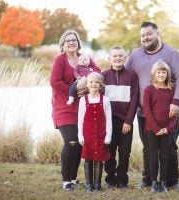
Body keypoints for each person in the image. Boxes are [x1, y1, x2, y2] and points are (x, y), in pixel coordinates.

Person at [125, 22, 179, 192]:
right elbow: (124, 75)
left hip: (168, 111)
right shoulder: (135, 55)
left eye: (148, 34)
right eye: (142, 35)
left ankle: (171, 181)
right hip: (143, 112)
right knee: (148, 147)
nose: (145, 38)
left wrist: (176, 102)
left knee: (170, 146)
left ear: (157, 33)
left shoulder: (172, 54)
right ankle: (148, 179)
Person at [50, 29, 99, 191]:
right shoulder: (60, 60)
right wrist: (74, 91)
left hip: (83, 107)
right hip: (64, 106)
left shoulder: (84, 58)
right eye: (68, 40)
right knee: (70, 141)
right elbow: (55, 82)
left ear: (78, 43)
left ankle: (72, 177)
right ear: (63, 44)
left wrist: (89, 82)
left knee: (79, 143)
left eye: (74, 40)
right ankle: (65, 179)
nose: (71, 42)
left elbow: (98, 72)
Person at [102, 46, 139, 188]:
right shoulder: (104, 76)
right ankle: (110, 179)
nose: (117, 58)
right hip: (109, 122)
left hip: (125, 122)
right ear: (109, 58)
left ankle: (122, 179)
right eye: (114, 56)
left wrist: (128, 120)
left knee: (124, 153)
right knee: (109, 152)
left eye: (120, 56)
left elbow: (134, 100)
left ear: (125, 58)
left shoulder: (131, 75)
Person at [143, 60, 176, 193]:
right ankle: (153, 182)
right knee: (153, 156)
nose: (161, 75)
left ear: (167, 74)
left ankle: (163, 182)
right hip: (152, 129)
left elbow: (174, 113)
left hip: (167, 129)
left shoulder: (171, 90)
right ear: (154, 74)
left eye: (163, 72)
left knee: (164, 156)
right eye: (159, 72)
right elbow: (147, 110)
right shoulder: (149, 89)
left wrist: (167, 128)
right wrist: (156, 128)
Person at [78, 72, 112, 192]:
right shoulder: (83, 100)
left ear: (101, 85)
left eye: (96, 82)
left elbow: (109, 119)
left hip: (101, 135)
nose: (93, 84)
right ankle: (89, 184)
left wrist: (108, 136)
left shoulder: (105, 100)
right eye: (91, 82)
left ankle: (97, 184)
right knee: (88, 159)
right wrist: (80, 135)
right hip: (87, 135)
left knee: (99, 158)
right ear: (87, 84)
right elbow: (80, 119)